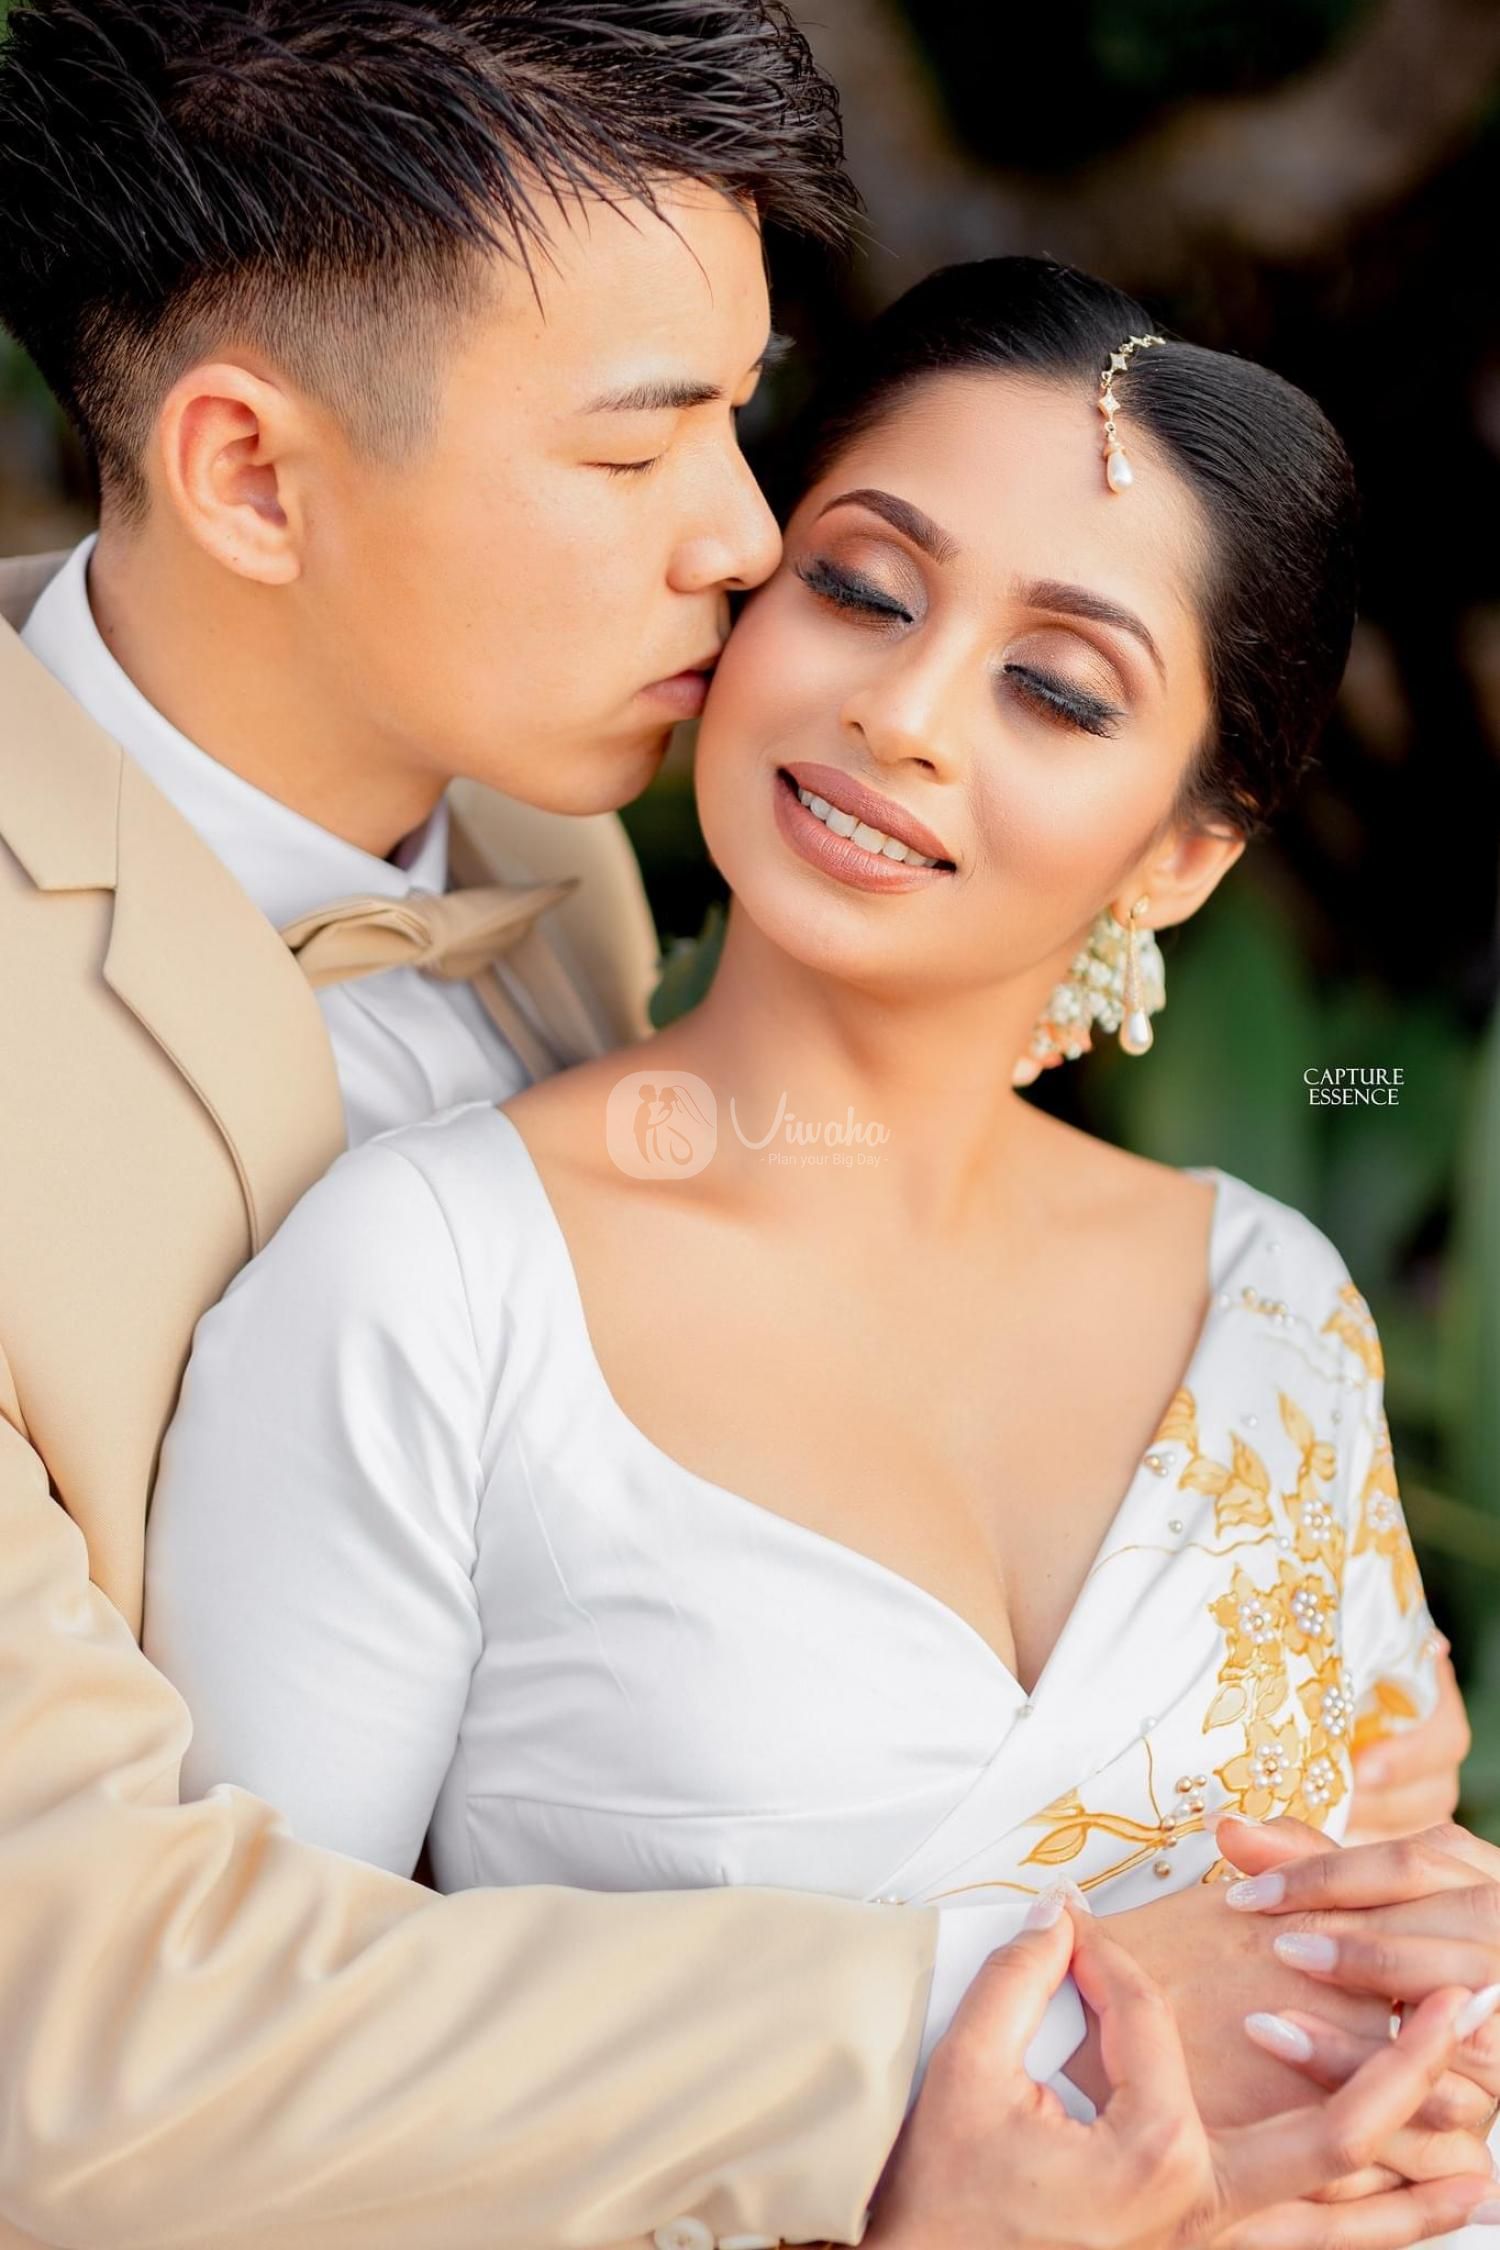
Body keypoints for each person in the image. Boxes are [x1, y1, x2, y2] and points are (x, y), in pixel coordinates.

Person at [140, 254, 1500, 2242]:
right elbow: (222, 2110)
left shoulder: (1275, 1305)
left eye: (1060, 688)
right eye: (863, 587)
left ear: (1183, 853)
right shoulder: (426, 1286)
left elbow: (1381, 1919)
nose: (904, 710)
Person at [0, 9, 1121, 2247]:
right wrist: (987, 2029)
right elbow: (79, 2046)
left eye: (740, 411)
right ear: (249, 475)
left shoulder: (553, 841)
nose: (744, 535)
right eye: (632, 452)